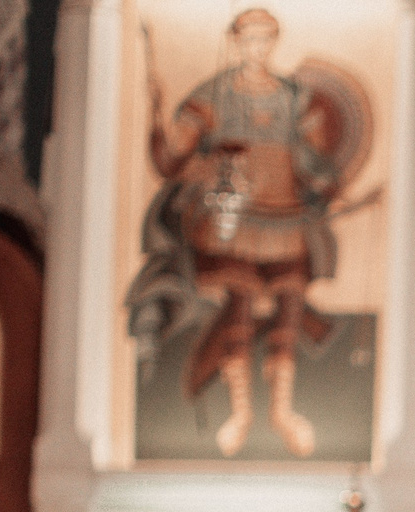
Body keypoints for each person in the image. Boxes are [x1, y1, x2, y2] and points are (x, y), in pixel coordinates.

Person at [126, 7, 344, 458]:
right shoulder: (214, 95)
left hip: (286, 217)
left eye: (266, 39)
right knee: (239, 307)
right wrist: (155, 117)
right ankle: (241, 412)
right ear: (237, 40)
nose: (257, 48)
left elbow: (318, 160)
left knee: (289, 305)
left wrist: (318, 176)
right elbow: (172, 160)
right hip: (237, 220)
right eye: (249, 38)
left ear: (275, 42)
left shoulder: (295, 97)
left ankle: (282, 410)